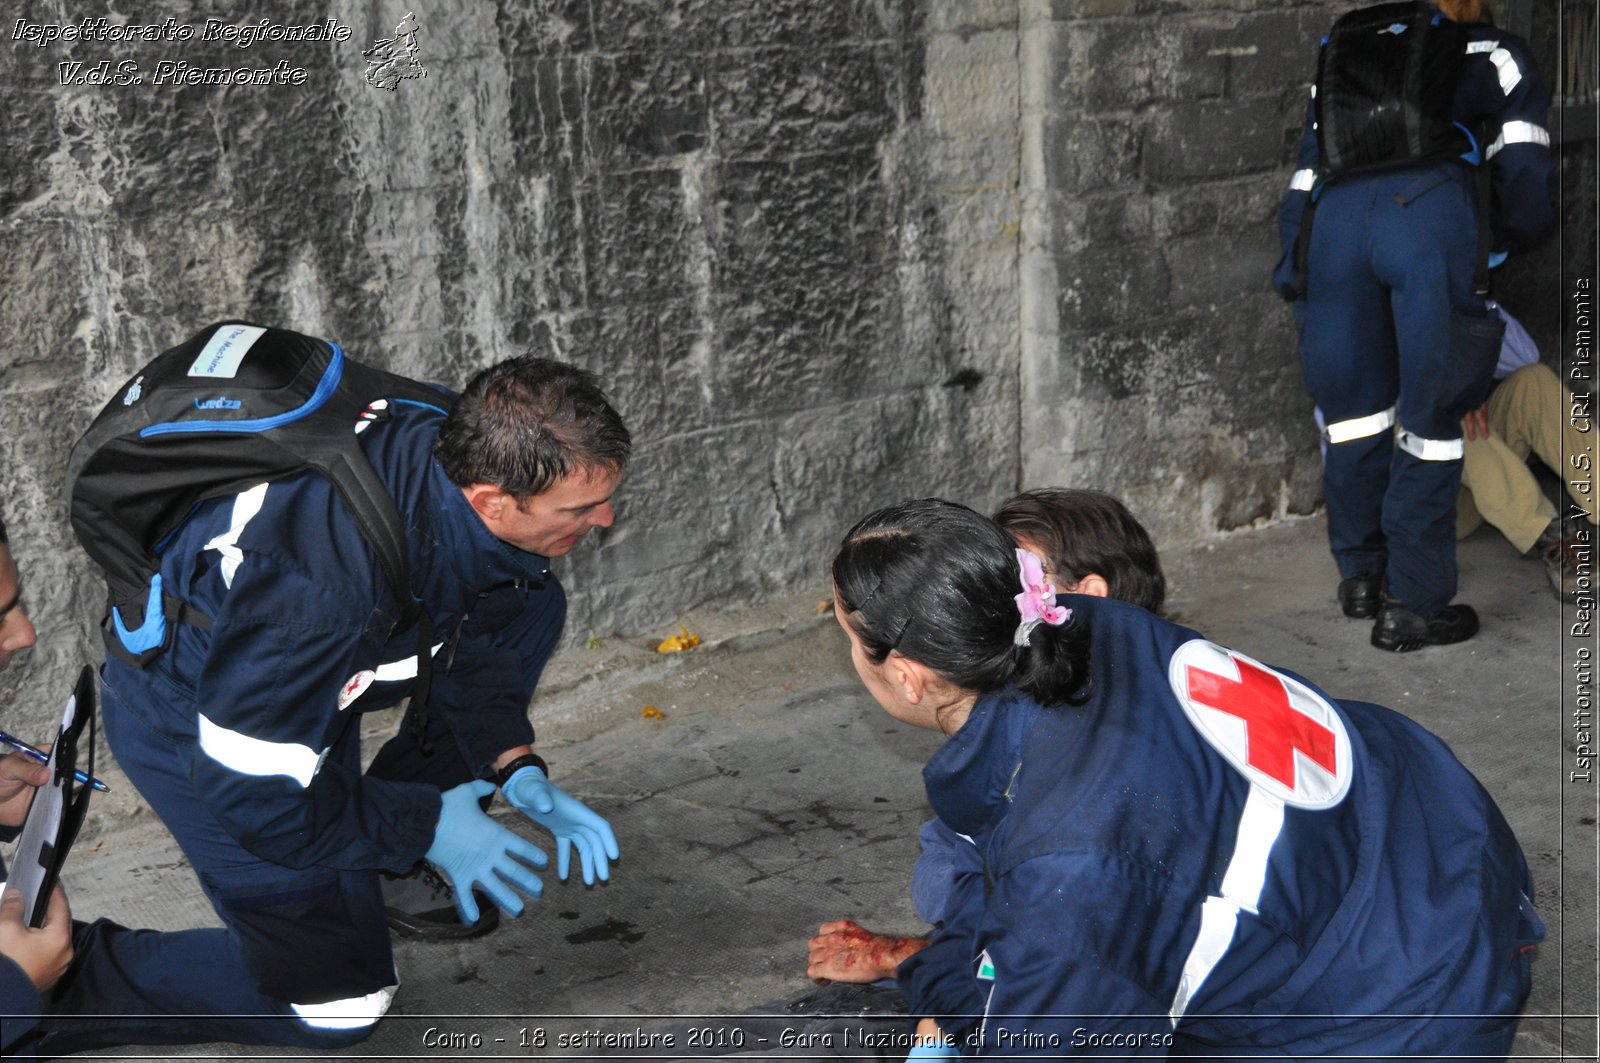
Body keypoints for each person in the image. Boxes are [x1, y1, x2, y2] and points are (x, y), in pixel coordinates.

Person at [26, 356, 627, 1054]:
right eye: (582, 510)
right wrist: (425, 825)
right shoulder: (315, 593)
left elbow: (483, 641)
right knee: (340, 1004)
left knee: (528, 603)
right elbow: (255, 796)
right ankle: (54, 978)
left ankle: (377, 867)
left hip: (313, 686)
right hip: (204, 726)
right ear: (492, 500)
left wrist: (514, 761)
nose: (606, 520)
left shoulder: (457, 450)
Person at [832, 498, 1541, 1058]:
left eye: (847, 639)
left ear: (909, 676)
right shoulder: (1081, 620)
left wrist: (946, 998)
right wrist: (935, 967)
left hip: (1408, 1002)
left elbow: (1055, 1014)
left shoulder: (1072, 864)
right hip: (1444, 829)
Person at [1273, 0, 1557, 651]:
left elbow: (1308, 170)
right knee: (1431, 422)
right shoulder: (1493, 51)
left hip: (1334, 232)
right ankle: (1415, 605)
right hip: (1426, 218)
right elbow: (1526, 175)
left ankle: (1362, 579)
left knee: (1353, 419)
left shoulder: (1344, 48)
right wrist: (1491, 246)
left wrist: (1297, 266)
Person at [808, 488, 1167, 986]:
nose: (1004, 609)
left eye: (1025, 585)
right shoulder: (1152, 670)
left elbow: (1050, 984)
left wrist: (922, 963)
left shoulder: (1059, 786)